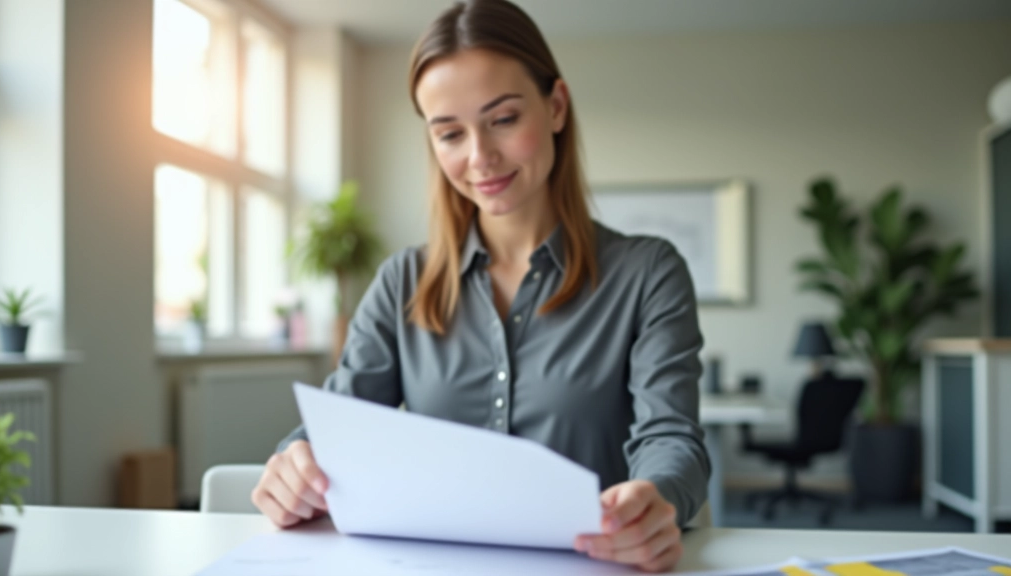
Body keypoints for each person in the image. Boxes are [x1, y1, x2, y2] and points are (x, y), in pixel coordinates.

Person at [252, 0, 710, 571]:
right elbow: (338, 426)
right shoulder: (402, 282)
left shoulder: (647, 273)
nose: (480, 157)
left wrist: (657, 499)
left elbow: (672, 438)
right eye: (449, 134)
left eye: (504, 119)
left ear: (557, 107)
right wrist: (293, 463)